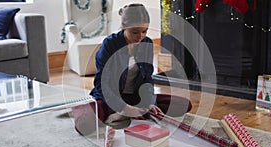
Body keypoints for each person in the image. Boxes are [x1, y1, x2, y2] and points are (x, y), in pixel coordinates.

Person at [72, 3, 192, 136]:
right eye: (135, 32)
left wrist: (150, 103)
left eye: (144, 31)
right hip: (110, 97)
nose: (140, 36)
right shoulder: (109, 45)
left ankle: (128, 113)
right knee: (84, 125)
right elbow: (102, 85)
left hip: (135, 97)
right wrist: (124, 108)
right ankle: (119, 112)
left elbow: (147, 79)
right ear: (123, 26)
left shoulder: (147, 43)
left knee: (184, 104)